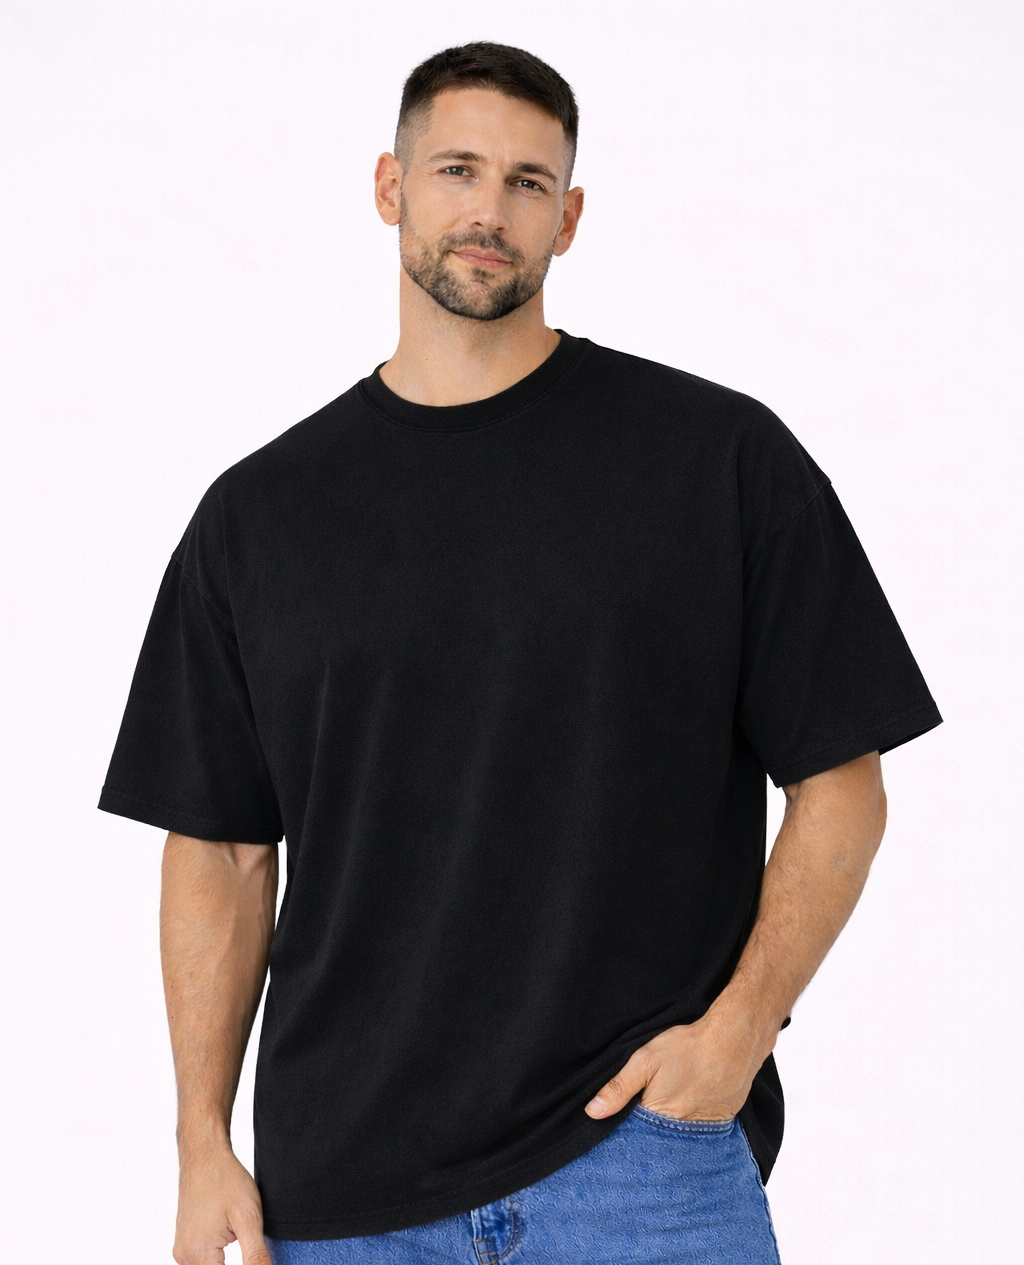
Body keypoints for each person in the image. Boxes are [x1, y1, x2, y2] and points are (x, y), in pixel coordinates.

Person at [98, 40, 942, 1265]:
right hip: (344, 1192)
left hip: (641, 1163)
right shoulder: (259, 516)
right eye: (457, 170)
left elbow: (841, 778)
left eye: (527, 182)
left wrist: (741, 1028)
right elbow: (222, 847)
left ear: (569, 217)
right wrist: (199, 1140)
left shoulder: (715, 460)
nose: (489, 210)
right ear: (389, 186)